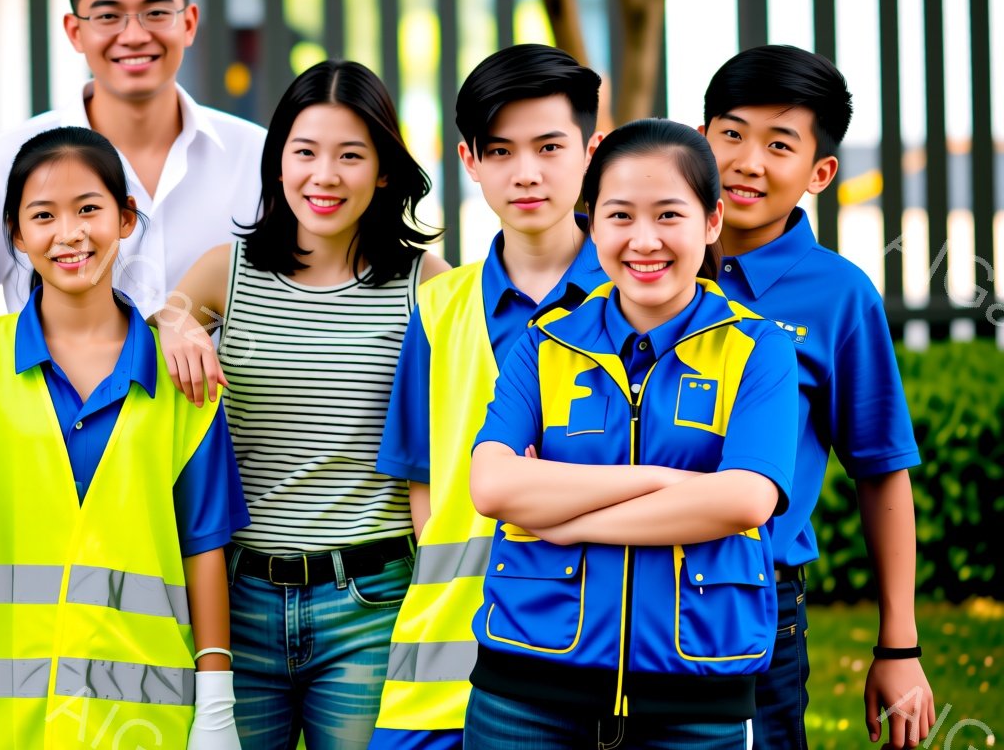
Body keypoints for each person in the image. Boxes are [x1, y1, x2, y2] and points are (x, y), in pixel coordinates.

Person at [0, 127, 251, 749]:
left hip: (136, 722)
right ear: (16, 235)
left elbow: (203, 547)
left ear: (126, 219)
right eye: (42, 215)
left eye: (89, 209)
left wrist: (215, 701)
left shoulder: (180, 372)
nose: (68, 233)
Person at [464, 118, 800, 749]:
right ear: (593, 226)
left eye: (669, 215)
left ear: (712, 222)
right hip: (526, 687)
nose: (644, 241)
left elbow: (744, 500)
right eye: (619, 216)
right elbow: (492, 486)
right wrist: (663, 482)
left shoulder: (759, 351)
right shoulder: (542, 342)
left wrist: (565, 514)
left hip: (697, 693)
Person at [152, 60, 447, 748]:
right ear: (277, 163)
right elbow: (157, 331)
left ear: (383, 170)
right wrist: (173, 320)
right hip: (237, 597)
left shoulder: (425, 284)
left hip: (372, 599)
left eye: (351, 155)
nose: (325, 175)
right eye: (305, 152)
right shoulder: (225, 272)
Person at [368, 44, 606, 750]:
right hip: (445, 659)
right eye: (500, 151)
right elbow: (425, 490)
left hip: (591, 648)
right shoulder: (438, 308)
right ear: (469, 161)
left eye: (549, 147)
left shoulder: (642, 301)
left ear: (590, 152)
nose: (525, 173)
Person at [699, 45, 932, 749]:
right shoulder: (638, 264)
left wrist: (899, 647)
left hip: (759, 598)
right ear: (699, 138)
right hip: (621, 586)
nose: (747, 162)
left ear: (820, 172)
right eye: (731, 133)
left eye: (779, 144)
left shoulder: (838, 297)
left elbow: (881, 469)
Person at [0, 0, 265, 359]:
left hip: (217, 426)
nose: (134, 35)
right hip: (51, 425)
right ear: (75, 31)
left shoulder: (258, 157)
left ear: (189, 23)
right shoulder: (4, 162)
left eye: (156, 12)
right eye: (107, 16)